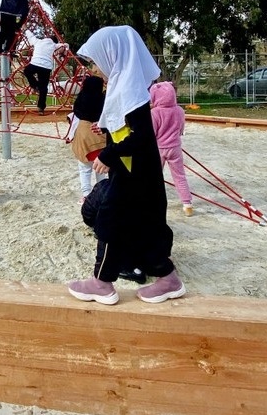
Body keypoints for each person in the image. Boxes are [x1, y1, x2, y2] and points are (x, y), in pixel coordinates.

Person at [67, 25, 185, 305]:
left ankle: (101, 283)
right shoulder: (123, 86)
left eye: (96, 62)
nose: (94, 69)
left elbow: (143, 136)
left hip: (136, 174)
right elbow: (127, 129)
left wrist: (109, 155)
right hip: (134, 171)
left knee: (109, 220)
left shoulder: (130, 92)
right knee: (140, 226)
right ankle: (167, 279)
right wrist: (106, 131)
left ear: (114, 55)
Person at [150, 81, 193, 216]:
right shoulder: (179, 110)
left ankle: (152, 202)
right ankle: (187, 204)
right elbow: (181, 129)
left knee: (155, 176)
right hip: (175, 147)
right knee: (180, 176)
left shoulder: (155, 113)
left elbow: (153, 133)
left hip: (159, 148)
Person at [67, 74, 107, 202]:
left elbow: (76, 112)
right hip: (100, 133)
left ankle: (86, 195)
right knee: (100, 168)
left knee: (84, 169)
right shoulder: (103, 99)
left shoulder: (81, 98)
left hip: (84, 134)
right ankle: (101, 194)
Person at [23, 32, 69, 114]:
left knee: (27, 71)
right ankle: (41, 107)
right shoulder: (54, 45)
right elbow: (65, 45)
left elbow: (30, 36)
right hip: (46, 67)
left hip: (35, 63)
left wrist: (25, 29)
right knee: (43, 87)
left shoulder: (38, 41)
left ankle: (35, 85)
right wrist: (65, 51)